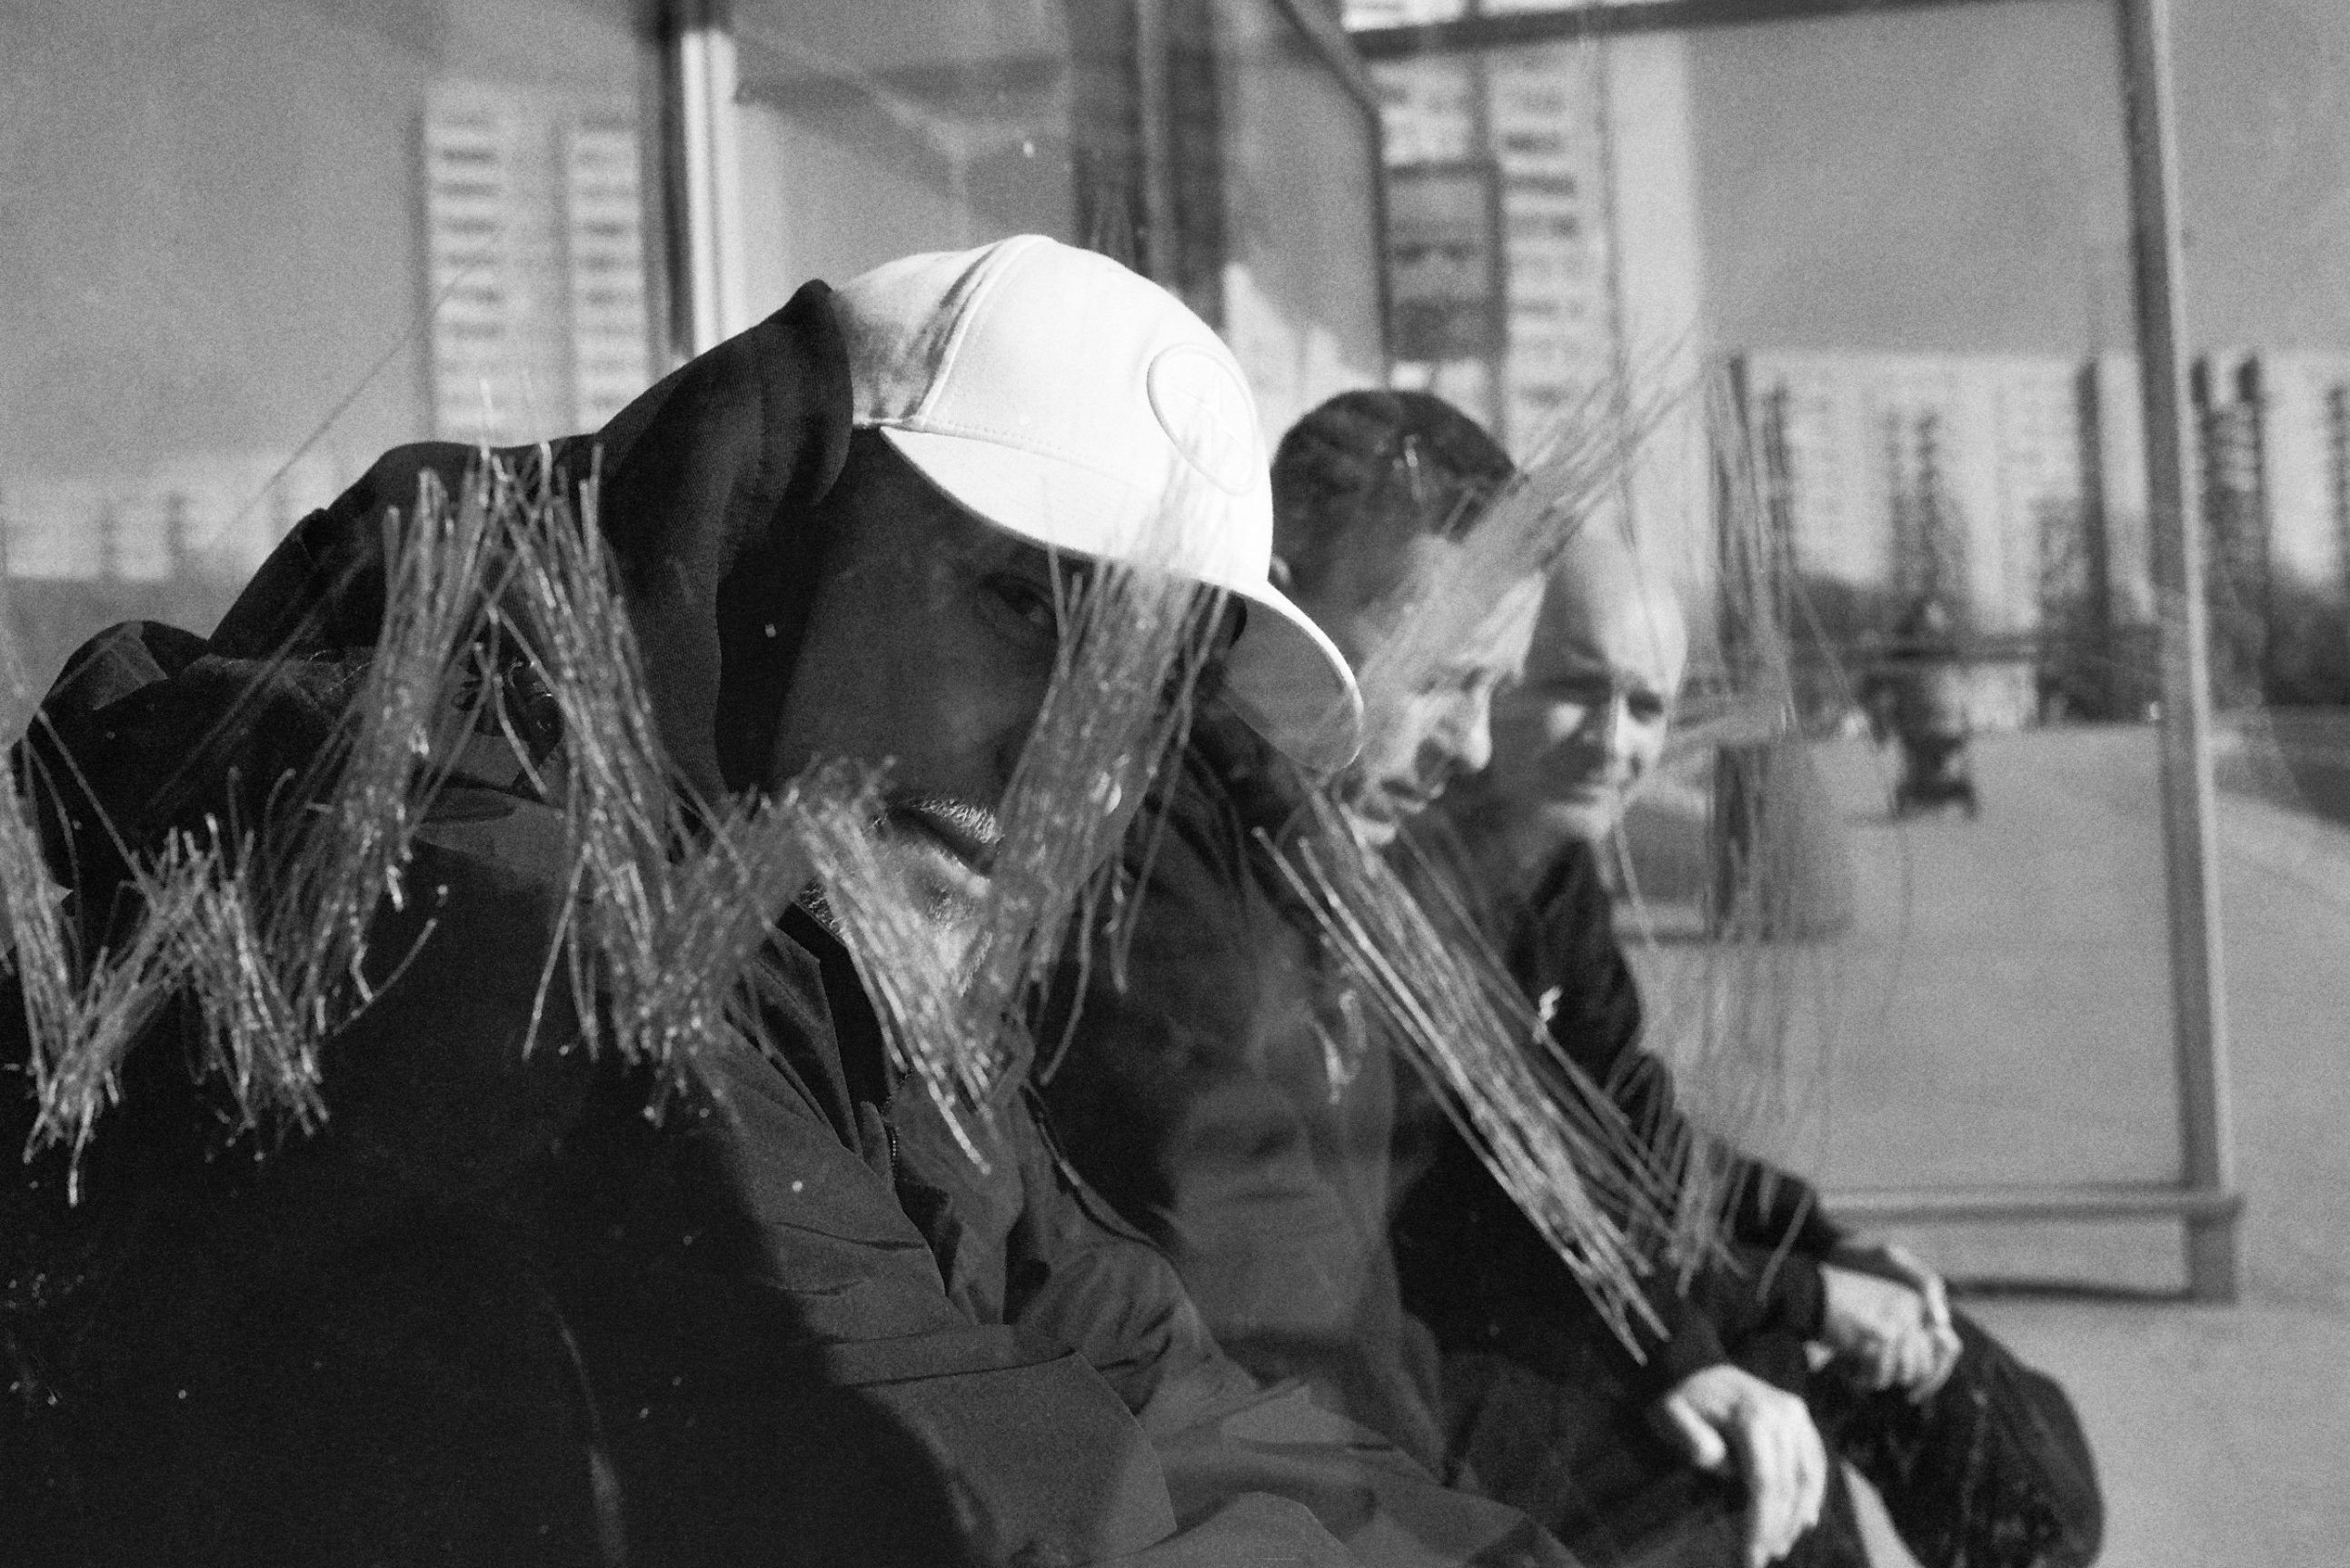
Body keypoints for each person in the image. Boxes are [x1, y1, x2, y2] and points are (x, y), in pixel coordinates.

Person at [1, 238, 1570, 1567]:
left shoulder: (834, 938)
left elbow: (1161, 1377)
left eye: (1136, 686)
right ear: (777, 532)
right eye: (1020, 606)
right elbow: (948, 1491)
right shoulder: (483, 900)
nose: (1065, 761)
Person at [1407, 528, 2102, 1568]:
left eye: (1647, 707)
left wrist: (1815, 1240)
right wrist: (1797, 1298)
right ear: (1493, 677)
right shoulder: (1419, 886)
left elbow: (1628, 1126)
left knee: (2014, 1461)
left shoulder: (1555, 864)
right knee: (1765, 1408)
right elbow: (1498, 1219)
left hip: (1592, 1298)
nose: (1614, 741)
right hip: (1453, 1354)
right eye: (1575, 689)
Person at [1039, 389, 1548, 1485]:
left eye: (1495, 690)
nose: (1474, 746)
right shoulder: (1154, 846)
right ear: (1280, 604)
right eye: (1442, 678)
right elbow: (1260, 1249)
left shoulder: (1308, 840)